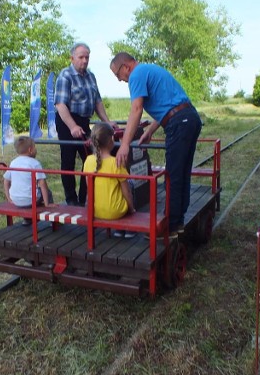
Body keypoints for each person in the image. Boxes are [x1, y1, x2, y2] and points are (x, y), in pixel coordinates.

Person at [110, 52, 202, 236]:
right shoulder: (149, 70)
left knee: (173, 175)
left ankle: (171, 225)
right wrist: (150, 131)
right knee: (182, 173)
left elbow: (136, 109)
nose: (121, 80)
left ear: (126, 67)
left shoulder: (136, 74)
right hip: (189, 118)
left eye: (118, 75)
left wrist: (125, 144)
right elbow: (168, 106)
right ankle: (179, 220)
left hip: (179, 123)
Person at [54, 42, 112, 206]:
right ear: (72, 58)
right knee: (68, 160)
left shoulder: (91, 76)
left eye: (87, 57)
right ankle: (71, 199)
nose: (85, 61)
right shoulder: (65, 76)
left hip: (84, 121)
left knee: (91, 157)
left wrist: (107, 122)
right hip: (67, 120)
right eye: (81, 57)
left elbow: (98, 102)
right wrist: (72, 126)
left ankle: (84, 197)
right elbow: (60, 105)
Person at [83, 122, 135, 238]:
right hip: (115, 212)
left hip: (95, 211)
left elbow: (89, 188)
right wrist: (131, 209)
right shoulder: (116, 162)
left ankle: (118, 230)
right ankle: (129, 229)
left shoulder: (88, 160)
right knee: (130, 184)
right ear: (112, 139)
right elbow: (126, 192)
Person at [3, 136, 54, 225]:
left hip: (16, 200)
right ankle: (52, 220)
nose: (36, 150)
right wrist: (47, 203)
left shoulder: (13, 163)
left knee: (27, 192)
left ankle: (27, 219)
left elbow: (6, 180)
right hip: (31, 200)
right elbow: (42, 184)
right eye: (35, 147)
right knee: (47, 192)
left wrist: (9, 198)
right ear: (30, 150)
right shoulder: (35, 163)